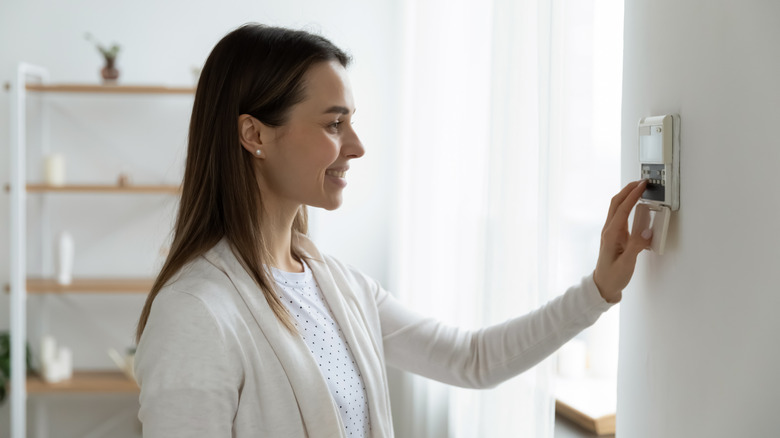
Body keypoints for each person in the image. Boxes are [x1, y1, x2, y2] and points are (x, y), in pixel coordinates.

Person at [133, 23, 651, 438]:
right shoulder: (196, 312)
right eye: (334, 124)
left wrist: (599, 290)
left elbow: (472, 359)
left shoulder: (337, 286)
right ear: (255, 135)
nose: (356, 145)